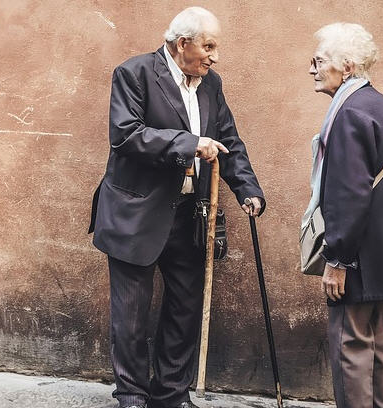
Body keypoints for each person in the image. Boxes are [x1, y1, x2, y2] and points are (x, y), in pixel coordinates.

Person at [88, 7, 265, 408]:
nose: (214, 56)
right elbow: (127, 135)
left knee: (185, 309)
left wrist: (248, 190)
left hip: (190, 214)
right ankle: (132, 395)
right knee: (131, 318)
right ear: (182, 43)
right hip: (135, 214)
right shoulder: (134, 74)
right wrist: (189, 144)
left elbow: (229, 141)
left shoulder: (211, 84)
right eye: (209, 46)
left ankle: (171, 395)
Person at [304, 23, 383, 408]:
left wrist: (337, 259)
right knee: (379, 349)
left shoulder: (349, 114)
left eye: (319, 61)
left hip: (357, 259)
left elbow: (349, 196)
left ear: (347, 67)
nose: (312, 69)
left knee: (351, 348)